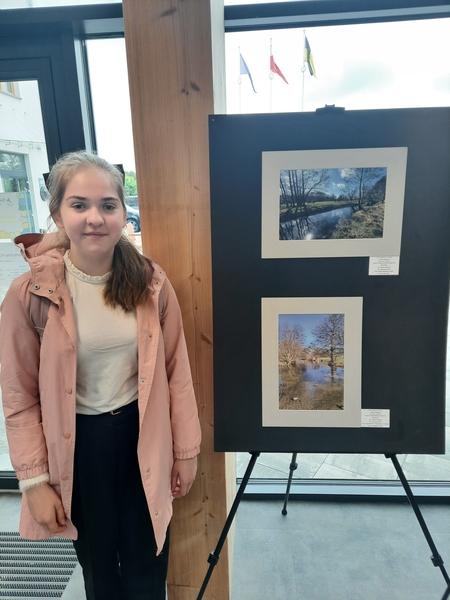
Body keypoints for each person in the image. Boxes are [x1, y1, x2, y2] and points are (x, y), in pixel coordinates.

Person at [0, 151, 201, 600]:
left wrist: (186, 452)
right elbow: (19, 397)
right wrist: (34, 481)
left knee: (148, 564)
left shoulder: (150, 283)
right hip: (79, 446)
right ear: (58, 214)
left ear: (122, 213)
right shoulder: (29, 294)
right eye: (79, 205)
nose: (95, 217)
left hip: (141, 435)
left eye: (108, 205)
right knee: (99, 569)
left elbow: (177, 374)